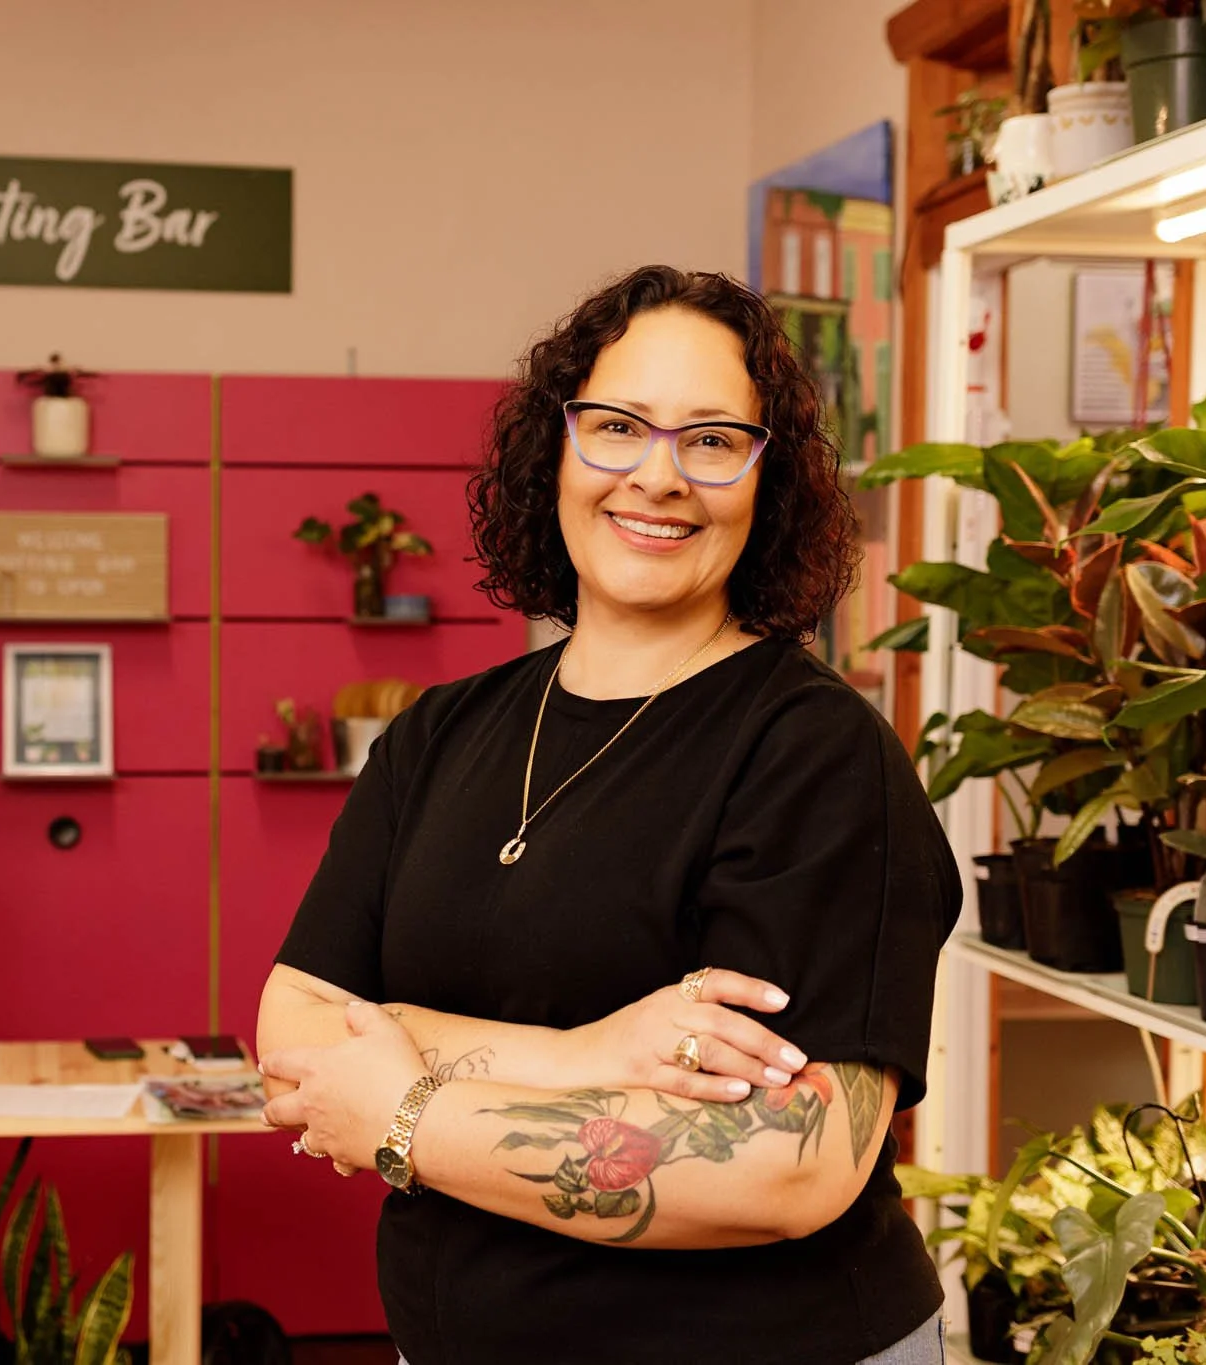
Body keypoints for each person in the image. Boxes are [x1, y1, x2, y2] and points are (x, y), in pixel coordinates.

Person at [255, 265, 962, 1365]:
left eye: (714, 441)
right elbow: (298, 1037)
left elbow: (786, 1164)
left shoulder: (815, 756)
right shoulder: (440, 734)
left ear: (766, 483)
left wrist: (403, 1112)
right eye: (617, 427)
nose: (658, 476)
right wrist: (589, 1051)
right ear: (554, 452)